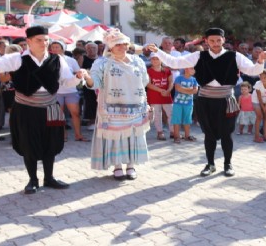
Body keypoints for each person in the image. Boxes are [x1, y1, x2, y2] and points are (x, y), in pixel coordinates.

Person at [0, 26, 84, 194]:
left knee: (50, 142)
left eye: (46, 40)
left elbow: (66, 82)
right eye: (39, 40)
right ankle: (33, 180)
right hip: (25, 108)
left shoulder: (58, 60)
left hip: (50, 107)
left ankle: (49, 178)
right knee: (28, 143)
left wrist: (77, 78)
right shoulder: (16, 59)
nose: (44, 43)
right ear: (29, 41)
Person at [148, 28, 266, 177]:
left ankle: (227, 164)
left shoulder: (235, 56)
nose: (216, 43)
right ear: (206, 41)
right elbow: (175, 62)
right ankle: (210, 164)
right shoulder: (199, 55)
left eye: (218, 40)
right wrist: (158, 52)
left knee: (226, 135)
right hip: (205, 101)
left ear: (223, 40)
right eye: (212, 40)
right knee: (209, 134)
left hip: (226, 100)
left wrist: (261, 61)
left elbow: (253, 70)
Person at [80, 29, 150, 181]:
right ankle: (117, 166)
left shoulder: (138, 61)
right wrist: (87, 78)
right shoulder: (102, 63)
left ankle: (131, 166)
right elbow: (95, 83)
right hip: (112, 108)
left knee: (133, 135)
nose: (121, 47)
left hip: (136, 106)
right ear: (110, 47)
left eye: (124, 44)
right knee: (115, 136)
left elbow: (145, 80)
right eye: (118, 44)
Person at [49, 41, 87, 142]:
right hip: (56, 92)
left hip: (71, 91)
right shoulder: (48, 60)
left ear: (62, 48)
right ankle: (62, 136)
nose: (55, 49)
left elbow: (78, 72)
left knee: (75, 113)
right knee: (59, 115)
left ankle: (78, 135)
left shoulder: (71, 60)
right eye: (53, 47)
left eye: (57, 47)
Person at [146, 53, 173, 141]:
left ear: (161, 60)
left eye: (157, 58)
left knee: (171, 113)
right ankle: (160, 132)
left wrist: (168, 90)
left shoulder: (167, 70)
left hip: (166, 95)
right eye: (152, 59)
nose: (154, 60)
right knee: (157, 115)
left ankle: (173, 131)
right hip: (154, 96)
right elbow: (148, 84)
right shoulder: (148, 71)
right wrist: (161, 90)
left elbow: (171, 82)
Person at [171, 67, 198, 143]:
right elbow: (177, 88)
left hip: (188, 104)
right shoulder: (179, 78)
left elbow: (195, 91)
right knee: (176, 120)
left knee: (187, 120)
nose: (194, 70)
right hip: (177, 103)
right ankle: (176, 136)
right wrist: (190, 90)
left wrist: (184, 89)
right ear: (186, 69)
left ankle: (187, 136)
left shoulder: (194, 80)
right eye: (192, 69)